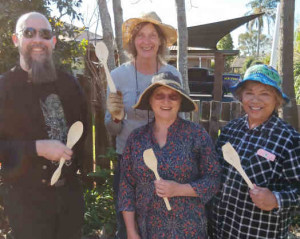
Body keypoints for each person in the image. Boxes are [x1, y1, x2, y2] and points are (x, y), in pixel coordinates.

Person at [0, 12, 87, 239]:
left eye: (45, 34)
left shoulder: (70, 84)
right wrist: (37, 148)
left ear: (53, 42)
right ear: (15, 40)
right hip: (25, 203)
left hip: (68, 200)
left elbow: (83, 131)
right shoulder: (4, 88)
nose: (38, 39)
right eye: (29, 33)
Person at [104, 11, 182, 238]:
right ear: (132, 41)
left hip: (166, 162)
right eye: (141, 35)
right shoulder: (117, 76)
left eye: (152, 36)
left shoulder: (171, 73)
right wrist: (117, 116)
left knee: (164, 225)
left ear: (161, 41)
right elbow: (112, 128)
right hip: (128, 163)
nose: (146, 41)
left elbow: (181, 118)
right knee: (127, 227)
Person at [118, 72, 221, 239]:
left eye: (173, 97)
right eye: (159, 96)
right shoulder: (136, 139)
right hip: (147, 230)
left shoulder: (196, 135)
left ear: (180, 102)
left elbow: (214, 179)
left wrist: (179, 189)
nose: (166, 101)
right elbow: (126, 187)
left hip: (189, 230)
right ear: (150, 101)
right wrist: (131, 231)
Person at [211, 64, 300, 239]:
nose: (255, 100)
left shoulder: (290, 140)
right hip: (220, 230)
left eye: (264, 94)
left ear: (276, 100)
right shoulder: (231, 130)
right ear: (241, 96)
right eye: (249, 93)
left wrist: (276, 199)